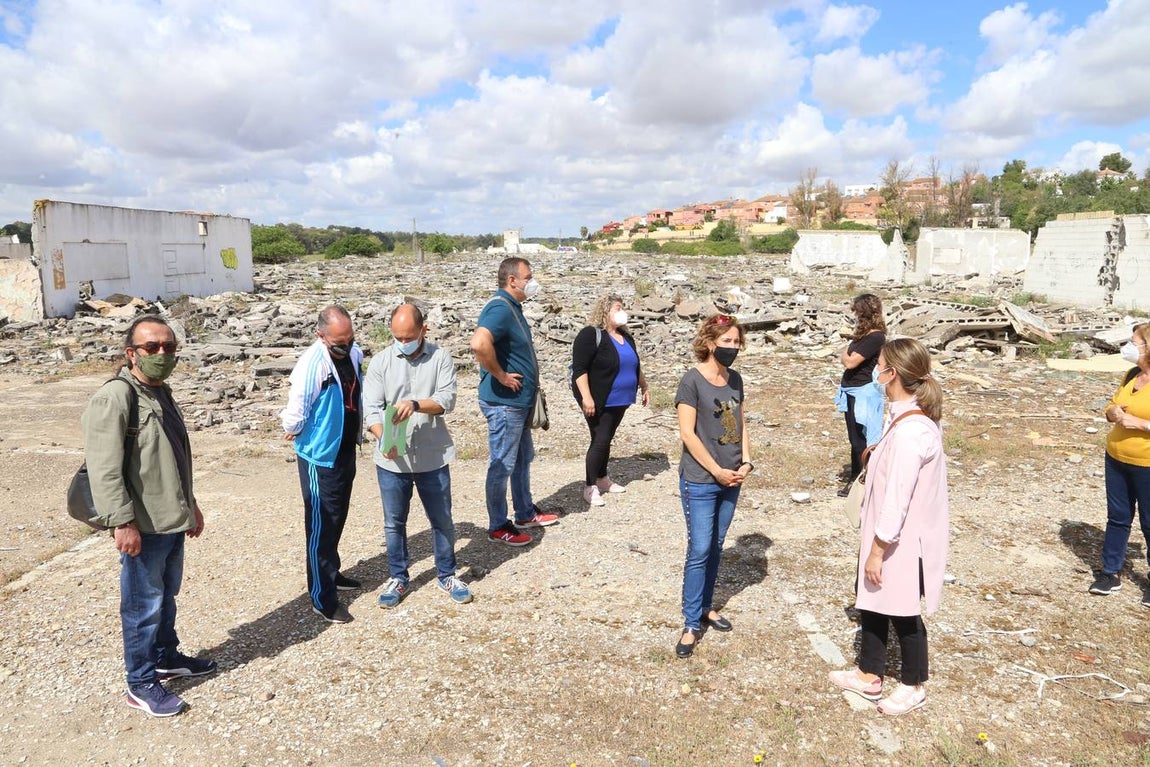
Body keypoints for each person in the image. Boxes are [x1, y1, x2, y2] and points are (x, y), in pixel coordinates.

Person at [81, 315, 216, 718]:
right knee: (141, 607)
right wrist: (121, 522)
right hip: (141, 523)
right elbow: (103, 468)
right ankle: (140, 683)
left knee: (165, 597)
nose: (162, 354)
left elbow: (172, 455)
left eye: (169, 347)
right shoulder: (116, 396)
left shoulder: (161, 392)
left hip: (170, 517)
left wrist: (189, 504)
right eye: (152, 347)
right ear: (131, 353)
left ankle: (165, 657)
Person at [828, 337, 949, 716]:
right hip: (887, 531)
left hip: (901, 538)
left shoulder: (913, 432)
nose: (875, 369)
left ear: (891, 374)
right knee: (874, 601)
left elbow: (898, 497)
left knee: (903, 610)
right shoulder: (902, 418)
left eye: (879, 364)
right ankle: (869, 674)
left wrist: (878, 550)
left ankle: (914, 684)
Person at [363, 303, 472, 607]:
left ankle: (447, 574)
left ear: (424, 330)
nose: (403, 342)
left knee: (442, 519)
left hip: (432, 456)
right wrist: (385, 437)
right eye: (397, 337)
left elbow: (446, 400)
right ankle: (398, 577)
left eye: (409, 336)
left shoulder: (440, 358)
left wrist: (415, 404)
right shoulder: (381, 363)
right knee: (393, 523)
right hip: (392, 459)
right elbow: (370, 409)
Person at [673, 314, 754, 658]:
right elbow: (687, 434)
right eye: (726, 342)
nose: (732, 348)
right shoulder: (691, 382)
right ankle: (691, 622)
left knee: (716, 546)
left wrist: (746, 460)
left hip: (732, 477)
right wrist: (717, 471)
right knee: (700, 549)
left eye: (736, 343)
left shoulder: (735, 379)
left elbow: (740, 421)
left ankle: (707, 606)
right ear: (709, 343)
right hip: (702, 479)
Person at [281, 305, 364, 624]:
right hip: (319, 453)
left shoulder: (353, 353)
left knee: (338, 514)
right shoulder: (311, 364)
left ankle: (331, 572)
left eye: (350, 339)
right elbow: (297, 407)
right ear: (321, 335)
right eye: (339, 343)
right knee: (320, 522)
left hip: (343, 447)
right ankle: (321, 596)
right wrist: (293, 429)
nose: (346, 347)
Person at [470, 257, 560, 546]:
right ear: (512, 281)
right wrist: (501, 376)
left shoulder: (512, 307)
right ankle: (498, 525)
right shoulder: (499, 308)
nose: (532, 282)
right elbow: (479, 343)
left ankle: (524, 512)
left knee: (522, 459)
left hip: (518, 403)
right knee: (502, 464)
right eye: (528, 277)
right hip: (504, 403)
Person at [571, 293, 650, 507]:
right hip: (599, 397)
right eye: (617, 307)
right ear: (605, 311)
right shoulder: (590, 335)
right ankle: (590, 487)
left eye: (622, 307)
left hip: (621, 398)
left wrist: (644, 386)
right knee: (600, 439)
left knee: (606, 438)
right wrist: (586, 397)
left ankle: (603, 478)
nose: (622, 311)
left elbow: (634, 364)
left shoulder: (627, 337)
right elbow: (579, 369)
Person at [1093, 323, 1150, 606]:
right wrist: (1112, 411)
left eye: (1134, 342)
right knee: (1117, 517)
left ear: (1147, 348)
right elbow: (1112, 407)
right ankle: (1110, 572)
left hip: (1147, 464)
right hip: (1116, 458)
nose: (1128, 346)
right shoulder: (1131, 375)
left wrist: (1141, 424)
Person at [834, 294, 886, 497]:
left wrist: (844, 354)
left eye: (857, 311)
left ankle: (863, 480)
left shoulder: (875, 337)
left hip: (863, 393)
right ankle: (859, 477)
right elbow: (848, 354)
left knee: (862, 439)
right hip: (852, 391)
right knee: (855, 438)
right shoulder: (864, 336)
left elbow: (849, 361)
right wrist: (846, 353)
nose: (855, 315)